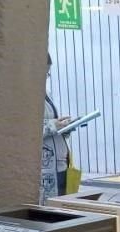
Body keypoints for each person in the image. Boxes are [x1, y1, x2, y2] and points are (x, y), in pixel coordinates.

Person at [41, 53, 73, 202]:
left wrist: (64, 126)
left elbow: (52, 123)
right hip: (45, 168)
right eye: (44, 73)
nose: (46, 77)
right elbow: (24, 130)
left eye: (48, 73)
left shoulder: (46, 94)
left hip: (61, 164)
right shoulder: (26, 96)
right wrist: (53, 125)